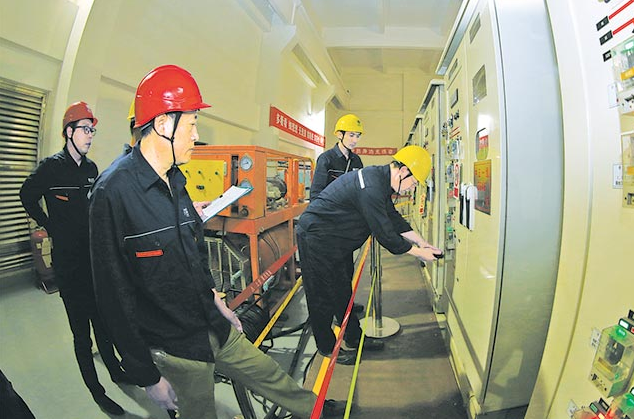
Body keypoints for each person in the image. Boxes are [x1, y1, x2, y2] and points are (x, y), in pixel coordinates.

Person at [88, 64, 343, 418]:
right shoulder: (112, 193)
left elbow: (194, 253)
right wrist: (146, 375)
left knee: (269, 374)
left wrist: (217, 303)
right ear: (163, 124)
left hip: (212, 323)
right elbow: (111, 295)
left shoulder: (175, 181)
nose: (196, 135)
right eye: (191, 124)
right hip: (175, 346)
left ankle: (316, 411)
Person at [19, 101, 128, 415]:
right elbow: (26, 194)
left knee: (102, 323)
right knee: (82, 334)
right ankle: (97, 392)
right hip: (68, 266)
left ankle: (116, 370)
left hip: (92, 261)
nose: (90, 135)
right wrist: (48, 224)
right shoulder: (50, 168)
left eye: (92, 131)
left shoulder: (91, 170)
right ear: (69, 132)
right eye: (85, 130)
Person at [297, 145, 442, 365]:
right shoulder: (372, 187)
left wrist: (422, 242)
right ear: (403, 171)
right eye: (413, 183)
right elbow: (386, 234)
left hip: (335, 240)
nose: (412, 188)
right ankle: (327, 347)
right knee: (321, 297)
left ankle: (354, 337)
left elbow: (392, 217)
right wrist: (419, 254)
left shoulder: (380, 180)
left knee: (342, 290)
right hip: (316, 238)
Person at [309, 114, 366, 318]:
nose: (355, 140)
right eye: (351, 135)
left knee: (347, 269)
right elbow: (316, 194)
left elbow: (361, 190)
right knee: (334, 272)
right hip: (329, 226)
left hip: (347, 226)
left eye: (357, 135)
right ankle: (337, 311)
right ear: (339, 134)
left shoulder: (356, 161)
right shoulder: (326, 159)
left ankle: (346, 304)